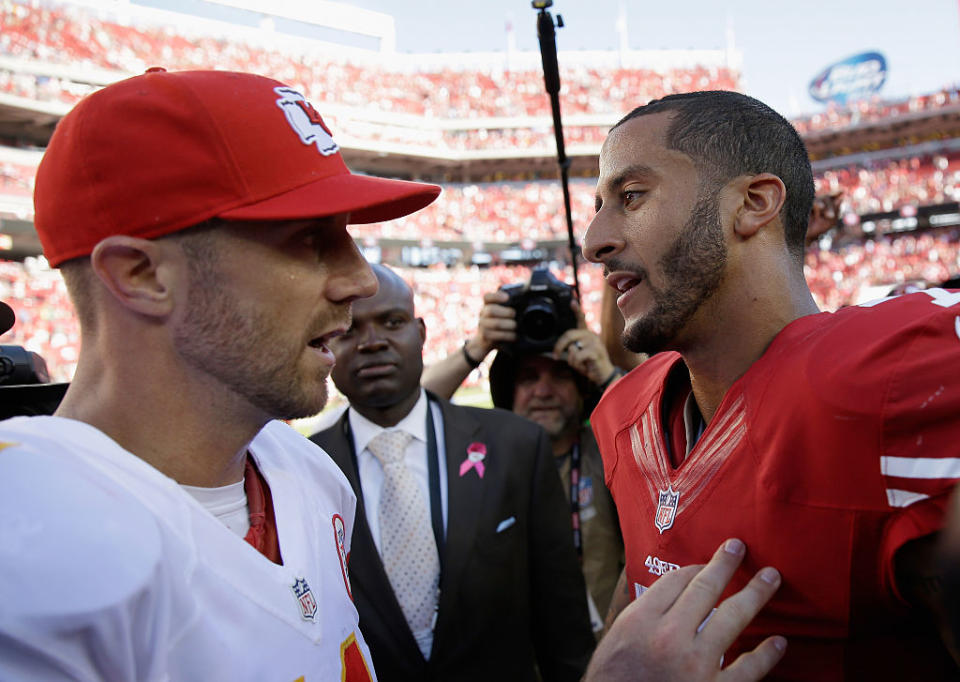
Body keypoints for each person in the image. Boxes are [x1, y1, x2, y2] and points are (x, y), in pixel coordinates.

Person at [0, 68, 442, 680]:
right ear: (140, 275)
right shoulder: (26, 554)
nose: (361, 281)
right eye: (309, 240)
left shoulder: (308, 473)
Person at [584, 90, 960, 680]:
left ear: (755, 203)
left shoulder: (885, 381)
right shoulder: (622, 412)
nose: (593, 243)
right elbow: (638, 602)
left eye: (631, 197)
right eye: (598, 205)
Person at [310, 263, 596, 681]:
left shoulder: (517, 447)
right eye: (350, 329)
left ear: (421, 333)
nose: (372, 342)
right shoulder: (305, 470)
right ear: (326, 345)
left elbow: (563, 624)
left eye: (392, 322)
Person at [423, 288, 626, 631]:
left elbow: (652, 428)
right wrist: (478, 347)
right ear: (508, 392)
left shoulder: (609, 450)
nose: (543, 391)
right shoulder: (480, 457)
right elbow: (414, 412)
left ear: (581, 392)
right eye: (528, 378)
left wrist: (606, 373)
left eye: (560, 376)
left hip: (602, 651)